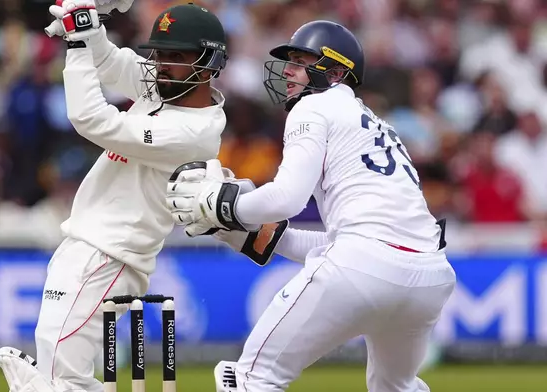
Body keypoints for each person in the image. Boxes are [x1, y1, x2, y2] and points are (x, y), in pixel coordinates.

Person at [166, 20, 456, 392]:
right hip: (430, 277)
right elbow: (364, 248)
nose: (287, 69)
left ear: (335, 72)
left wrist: (222, 205)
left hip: (365, 265)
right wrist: (265, 235)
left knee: (251, 379)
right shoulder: (378, 125)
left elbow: (287, 199)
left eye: (300, 60)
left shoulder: (314, 106)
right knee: (396, 387)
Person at [0, 2, 228, 392]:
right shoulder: (165, 88)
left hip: (112, 255)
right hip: (88, 244)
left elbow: (91, 119)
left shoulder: (193, 131)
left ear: (208, 64)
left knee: (59, 379)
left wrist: (76, 43)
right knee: (58, 374)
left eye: (176, 56)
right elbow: (111, 60)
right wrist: (88, 22)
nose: (162, 64)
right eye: (159, 53)